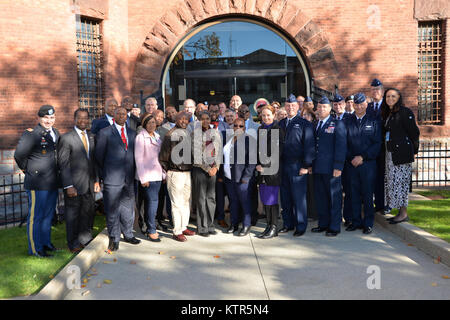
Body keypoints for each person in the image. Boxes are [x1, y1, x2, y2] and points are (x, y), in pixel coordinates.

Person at [14, 105, 60, 257]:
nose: (49, 121)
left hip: (52, 181)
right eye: (46, 118)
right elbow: (19, 155)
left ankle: (46, 243)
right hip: (37, 182)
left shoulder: (56, 133)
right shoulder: (32, 134)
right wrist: (27, 170)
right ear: (39, 118)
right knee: (36, 217)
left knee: (48, 215)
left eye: (52, 118)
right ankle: (35, 248)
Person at [95, 106, 140, 251]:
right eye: (119, 114)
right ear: (114, 116)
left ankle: (128, 234)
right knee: (112, 209)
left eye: (124, 114)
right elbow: (99, 158)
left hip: (129, 178)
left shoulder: (132, 134)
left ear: (127, 116)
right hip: (112, 178)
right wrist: (101, 177)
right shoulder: (105, 133)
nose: (122, 116)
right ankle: (114, 237)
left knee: (128, 208)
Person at [58, 108, 100, 253]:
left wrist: (96, 181)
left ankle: (85, 239)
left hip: (89, 183)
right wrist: (68, 185)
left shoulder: (92, 136)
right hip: (74, 185)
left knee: (88, 213)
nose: (83, 121)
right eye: (80, 118)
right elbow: (63, 164)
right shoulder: (66, 138)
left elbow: (94, 161)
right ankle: (73, 242)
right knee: (73, 215)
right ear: (74, 120)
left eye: (85, 118)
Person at [279, 94, 315, 237]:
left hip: (297, 166)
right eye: (288, 105)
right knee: (285, 197)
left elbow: (310, 146)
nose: (290, 108)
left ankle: (300, 225)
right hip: (283, 165)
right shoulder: (281, 123)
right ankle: (288, 224)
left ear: (298, 106)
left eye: (293, 105)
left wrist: (306, 165)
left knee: (299, 198)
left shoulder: (304, 123)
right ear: (285, 107)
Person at [381, 88, 420, 224]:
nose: (390, 98)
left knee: (401, 184)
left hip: (401, 155)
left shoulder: (405, 112)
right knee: (393, 183)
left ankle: (403, 213)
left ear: (399, 98)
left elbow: (414, 133)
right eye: (387, 96)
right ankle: (399, 212)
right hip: (390, 154)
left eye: (393, 96)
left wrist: (413, 150)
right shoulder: (389, 113)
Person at [345, 93, 382, 235]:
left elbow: (377, 144)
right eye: (356, 104)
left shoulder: (373, 121)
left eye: (362, 104)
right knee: (353, 193)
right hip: (351, 164)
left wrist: (362, 157)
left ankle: (368, 223)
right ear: (353, 105)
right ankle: (356, 221)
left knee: (367, 194)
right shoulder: (347, 121)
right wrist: (351, 158)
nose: (359, 107)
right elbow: (344, 143)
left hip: (368, 164)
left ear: (366, 105)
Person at [311, 96, 347, 237]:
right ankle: (323, 224)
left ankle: (334, 226)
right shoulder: (315, 124)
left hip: (332, 168)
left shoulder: (337, 124)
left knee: (334, 198)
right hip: (318, 167)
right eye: (319, 107)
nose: (321, 109)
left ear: (330, 108)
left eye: (324, 107)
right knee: (321, 198)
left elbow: (341, 147)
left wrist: (338, 167)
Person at [159, 111, 195, 242]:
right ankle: (177, 231)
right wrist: (170, 171)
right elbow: (163, 158)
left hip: (186, 172)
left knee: (186, 201)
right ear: (177, 120)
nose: (185, 121)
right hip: (175, 173)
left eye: (187, 120)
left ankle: (184, 226)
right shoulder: (170, 135)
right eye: (182, 119)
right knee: (177, 203)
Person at [223, 117, 256, 236]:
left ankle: (246, 225)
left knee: (245, 202)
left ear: (245, 128)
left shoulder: (249, 140)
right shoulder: (229, 139)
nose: (237, 128)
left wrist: (246, 177)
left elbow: (252, 161)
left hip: (242, 179)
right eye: (235, 125)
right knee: (233, 202)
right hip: (229, 177)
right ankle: (234, 224)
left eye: (240, 126)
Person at [135, 113, 165, 242]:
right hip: (147, 177)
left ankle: (149, 227)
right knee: (152, 203)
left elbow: (161, 157)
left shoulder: (157, 137)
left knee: (151, 203)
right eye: (149, 123)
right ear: (144, 124)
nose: (152, 125)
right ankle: (151, 230)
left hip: (157, 175)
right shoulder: (140, 138)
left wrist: (164, 174)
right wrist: (143, 178)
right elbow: (138, 159)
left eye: (154, 122)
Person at [255, 105, 284, 239]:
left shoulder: (277, 130)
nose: (266, 117)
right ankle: (268, 225)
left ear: (274, 115)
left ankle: (273, 227)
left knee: (272, 200)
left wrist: (265, 166)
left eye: (268, 115)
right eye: (263, 115)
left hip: (273, 171)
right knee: (265, 199)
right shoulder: (261, 129)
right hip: (262, 171)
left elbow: (277, 153)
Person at [191, 111, 221, 237]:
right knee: (201, 198)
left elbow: (219, 152)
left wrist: (216, 167)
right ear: (198, 120)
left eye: (207, 118)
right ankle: (202, 227)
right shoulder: (194, 134)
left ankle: (210, 225)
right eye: (202, 119)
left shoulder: (215, 133)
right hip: (200, 170)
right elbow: (196, 155)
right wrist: (208, 168)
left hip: (213, 169)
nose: (205, 121)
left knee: (211, 198)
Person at [367, 78, 387, 215]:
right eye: (373, 90)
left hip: (384, 148)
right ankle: (377, 204)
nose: (375, 92)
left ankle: (384, 204)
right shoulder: (368, 107)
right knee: (373, 178)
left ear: (382, 91)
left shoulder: (387, 107)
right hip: (370, 148)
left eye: (377, 90)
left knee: (383, 177)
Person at [209, 104, 230, 229]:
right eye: (212, 110)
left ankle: (221, 217)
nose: (214, 113)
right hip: (206, 166)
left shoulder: (225, 126)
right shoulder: (203, 126)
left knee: (220, 194)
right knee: (208, 194)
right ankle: (210, 218)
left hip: (221, 166)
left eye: (216, 111)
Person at [299, 106, 318, 221]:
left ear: (312, 117)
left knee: (312, 190)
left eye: (307, 115)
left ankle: (313, 213)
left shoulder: (314, 127)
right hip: (302, 163)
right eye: (303, 115)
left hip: (312, 164)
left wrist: (310, 165)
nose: (305, 117)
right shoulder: (301, 128)